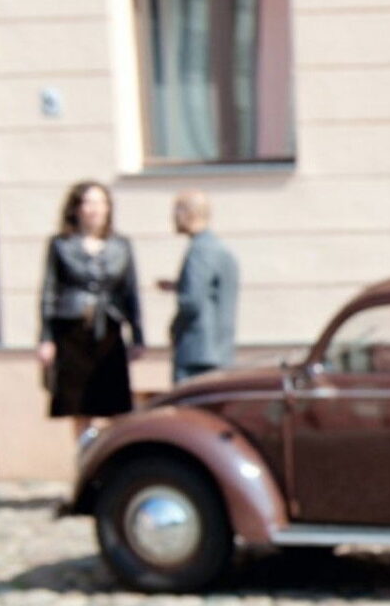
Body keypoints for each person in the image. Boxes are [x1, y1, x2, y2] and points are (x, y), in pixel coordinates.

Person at [35, 180, 143, 432]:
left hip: (109, 328)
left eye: (100, 203)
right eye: (89, 203)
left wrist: (137, 335)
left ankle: (115, 453)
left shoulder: (121, 245)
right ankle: (85, 453)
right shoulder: (61, 244)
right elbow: (49, 290)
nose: (95, 209)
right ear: (76, 208)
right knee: (79, 404)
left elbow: (130, 291)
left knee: (115, 403)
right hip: (72, 330)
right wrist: (46, 338)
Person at [160, 191, 239, 380]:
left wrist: (174, 329)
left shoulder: (200, 250)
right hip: (219, 350)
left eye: (176, 211)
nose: (173, 218)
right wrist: (178, 285)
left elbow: (192, 301)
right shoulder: (218, 248)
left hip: (196, 352)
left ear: (188, 213)